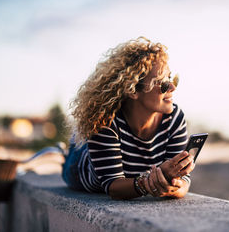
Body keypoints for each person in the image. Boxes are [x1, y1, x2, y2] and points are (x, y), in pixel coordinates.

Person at [62, 37, 194, 200]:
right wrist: (149, 183)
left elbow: (182, 181)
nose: (172, 87)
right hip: (80, 167)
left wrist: (174, 186)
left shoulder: (174, 117)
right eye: (162, 83)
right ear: (133, 90)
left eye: (171, 79)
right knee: (66, 157)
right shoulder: (105, 122)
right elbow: (113, 187)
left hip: (133, 172)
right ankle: (61, 152)